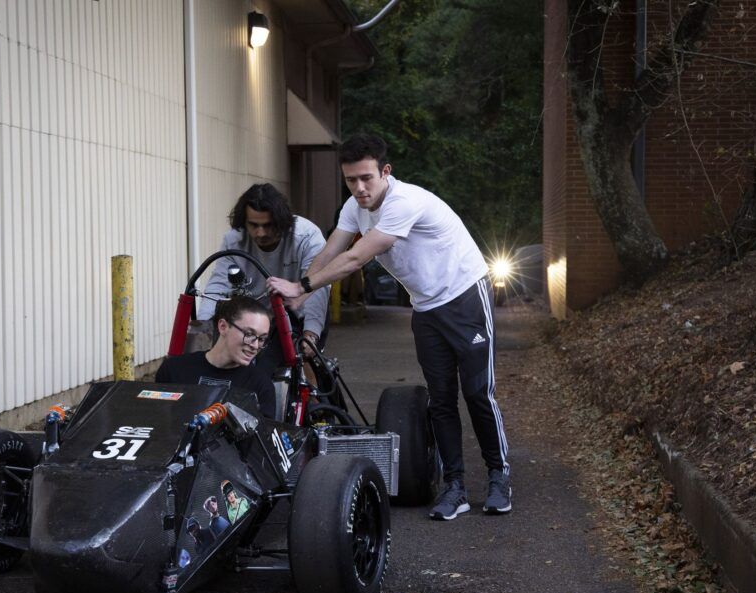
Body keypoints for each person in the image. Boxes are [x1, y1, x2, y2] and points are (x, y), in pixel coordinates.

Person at [266, 134, 512, 521]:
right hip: (426, 306)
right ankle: (456, 486)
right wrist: (299, 291)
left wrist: (303, 287)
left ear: (385, 171)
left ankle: (499, 477)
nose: (360, 188)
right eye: (351, 180)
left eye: (366, 178)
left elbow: (358, 256)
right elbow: (332, 248)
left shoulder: (404, 202)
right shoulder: (354, 207)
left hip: (465, 297)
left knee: (478, 393)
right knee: (441, 399)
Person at [197, 183, 330, 374]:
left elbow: (317, 287)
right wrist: (204, 327)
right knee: (237, 365)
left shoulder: (307, 236)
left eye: (268, 225)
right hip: (256, 315)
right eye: (254, 225)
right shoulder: (234, 239)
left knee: (297, 367)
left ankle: (317, 402)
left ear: (282, 221)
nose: (260, 233)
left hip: (299, 312)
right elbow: (218, 284)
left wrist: (311, 333)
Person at [156, 296, 277, 419]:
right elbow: (155, 421)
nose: (255, 345)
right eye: (249, 334)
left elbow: (263, 435)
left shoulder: (261, 386)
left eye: (261, 339)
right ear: (223, 326)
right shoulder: (173, 369)